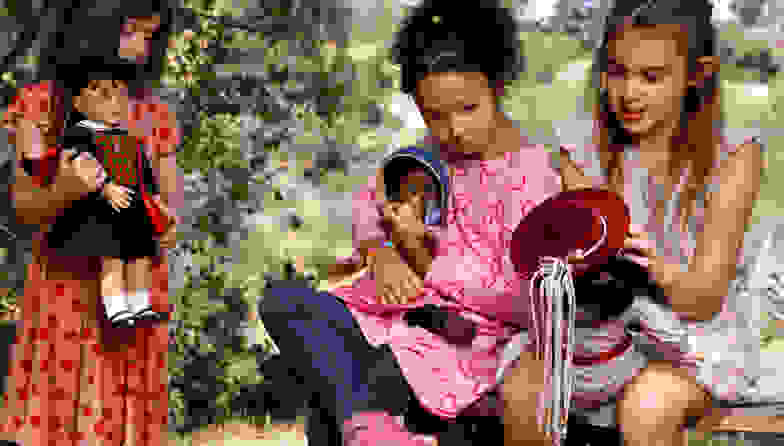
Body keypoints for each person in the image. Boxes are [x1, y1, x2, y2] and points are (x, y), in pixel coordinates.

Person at [258, 1, 592, 445]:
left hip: (457, 347)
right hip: (384, 318)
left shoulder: (535, 175)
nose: (452, 128)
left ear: (498, 86)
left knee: (338, 389)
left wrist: (423, 259)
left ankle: (368, 425)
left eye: (467, 109)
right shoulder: (426, 158)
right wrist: (380, 255)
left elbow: (523, 302)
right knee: (283, 302)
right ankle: (372, 427)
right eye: (435, 115)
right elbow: (369, 206)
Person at [499, 0, 769, 445]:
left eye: (651, 77)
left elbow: (703, 300)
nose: (629, 93)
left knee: (648, 404)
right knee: (525, 389)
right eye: (617, 72)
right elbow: (576, 281)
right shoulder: (580, 148)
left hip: (694, 341)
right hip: (603, 328)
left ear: (696, 75)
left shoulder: (734, 155)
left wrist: (647, 261)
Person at [0, 0, 182, 444]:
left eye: (150, 37)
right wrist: (69, 187)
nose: (140, 49)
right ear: (93, 25)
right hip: (64, 294)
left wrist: (161, 220)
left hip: (132, 298)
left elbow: (170, 212)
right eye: (130, 32)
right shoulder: (41, 104)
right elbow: (24, 206)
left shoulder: (155, 117)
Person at [22, 63, 171, 327]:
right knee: (112, 261)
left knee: (138, 258)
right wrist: (106, 187)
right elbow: (82, 163)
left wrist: (159, 203)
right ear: (78, 101)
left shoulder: (130, 140)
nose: (113, 102)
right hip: (105, 209)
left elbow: (146, 176)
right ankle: (116, 310)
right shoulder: (80, 134)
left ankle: (141, 306)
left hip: (135, 207)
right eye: (102, 94)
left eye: (118, 95)